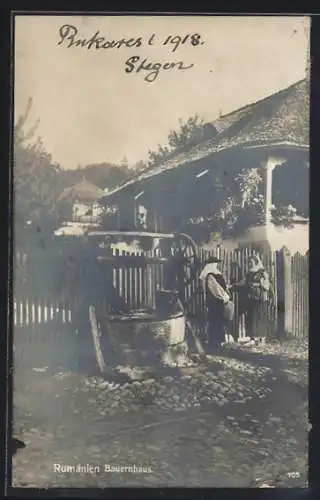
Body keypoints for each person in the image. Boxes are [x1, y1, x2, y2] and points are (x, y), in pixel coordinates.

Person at [232, 254, 271, 341]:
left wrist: (257, 284)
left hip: (259, 297)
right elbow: (243, 282)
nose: (249, 264)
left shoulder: (262, 272)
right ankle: (252, 337)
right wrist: (234, 285)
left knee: (259, 316)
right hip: (250, 297)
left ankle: (261, 337)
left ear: (256, 262)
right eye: (248, 262)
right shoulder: (249, 273)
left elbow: (267, 285)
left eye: (251, 262)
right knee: (251, 317)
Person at [199, 256, 234, 352]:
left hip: (218, 302)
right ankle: (214, 343)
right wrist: (225, 297)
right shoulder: (210, 276)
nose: (216, 265)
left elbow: (222, 287)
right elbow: (216, 290)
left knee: (219, 322)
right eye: (214, 263)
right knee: (215, 322)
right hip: (215, 302)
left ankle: (218, 342)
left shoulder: (216, 274)